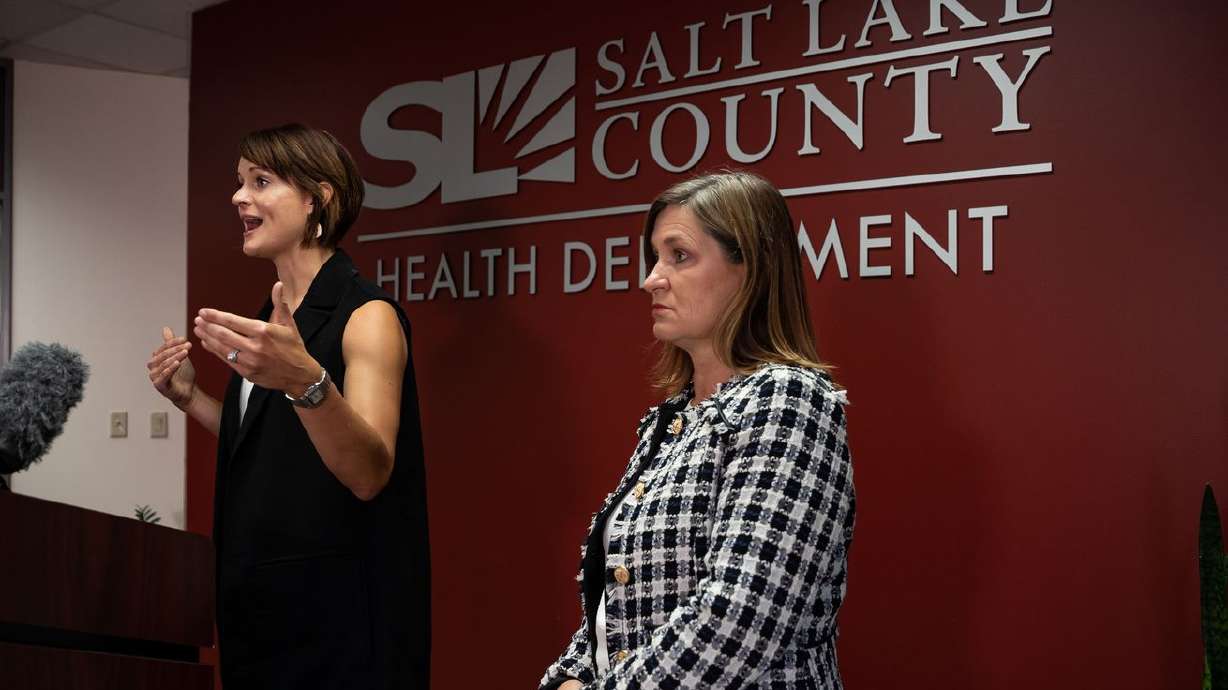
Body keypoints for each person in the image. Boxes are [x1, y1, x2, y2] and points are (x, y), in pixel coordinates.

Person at [539, 171, 855, 690]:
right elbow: (616, 599)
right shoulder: (673, 418)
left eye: (679, 256)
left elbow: (742, 620)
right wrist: (571, 677)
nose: (652, 279)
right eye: (655, 257)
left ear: (749, 269)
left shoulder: (790, 402)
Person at [146, 124, 430, 689]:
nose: (237, 196)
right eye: (239, 182)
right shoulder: (274, 319)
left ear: (316, 199)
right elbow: (275, 445)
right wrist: (192, 399)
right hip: (260, 617)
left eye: (262, 181)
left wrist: (306, 380)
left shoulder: (367, 314)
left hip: (338, 630)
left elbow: (370, 472)